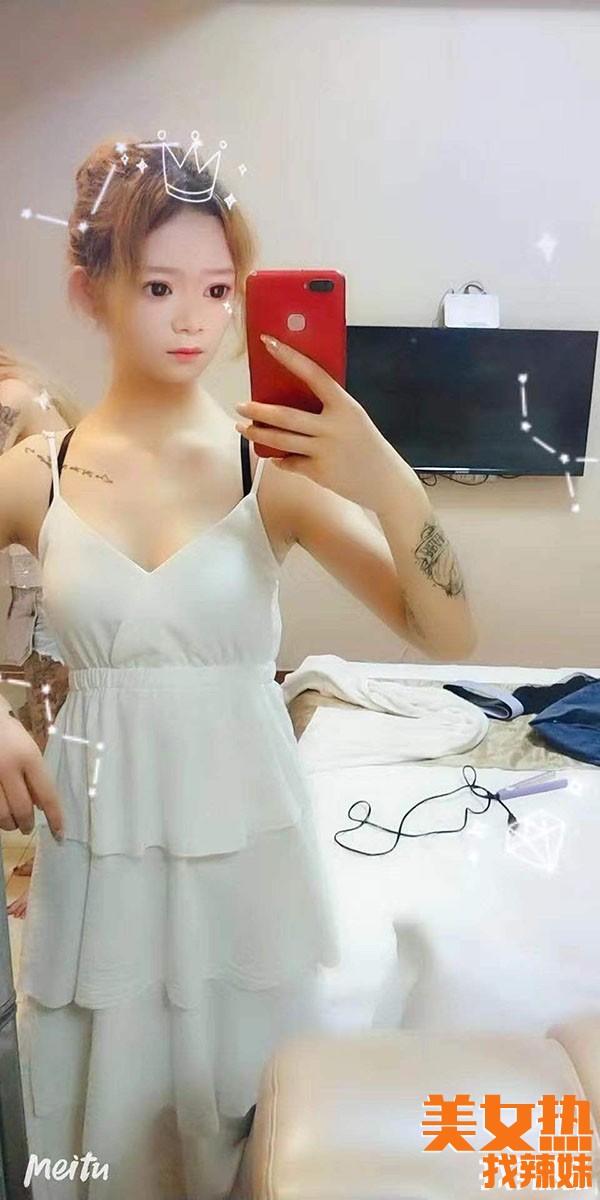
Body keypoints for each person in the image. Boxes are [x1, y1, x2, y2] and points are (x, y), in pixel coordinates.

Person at [0, 135, 476, 1198]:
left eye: (218, 290)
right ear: (89, 290)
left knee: (249, 1108)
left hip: (243, 834)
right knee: (104, 1098)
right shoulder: (40, 471)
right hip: (101, 831)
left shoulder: (273, 468)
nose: (193, 319)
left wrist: (385, 477)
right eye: (158, 286)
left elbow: (447, 635)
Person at [0, 349, 80, 917]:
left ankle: (57, 874)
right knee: (51, 726)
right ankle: (49, 861)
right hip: (51, 583)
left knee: (57, 735)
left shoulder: (12, 397)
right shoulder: (35, 389)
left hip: (55, 587)